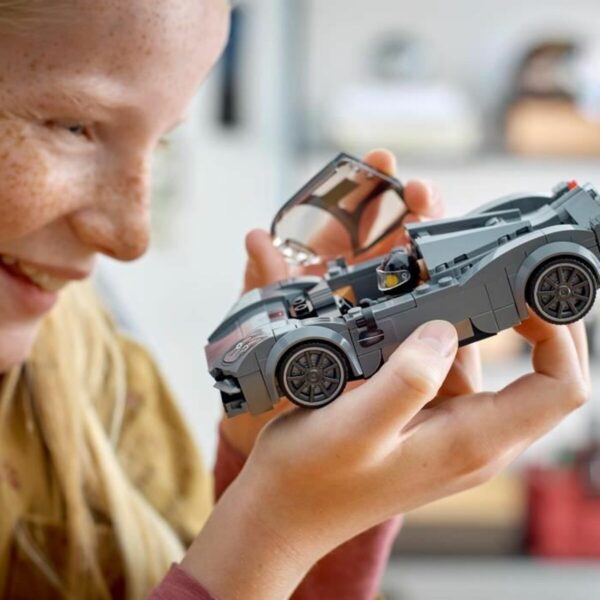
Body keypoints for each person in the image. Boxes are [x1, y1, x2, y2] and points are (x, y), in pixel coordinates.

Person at [0, 1, 590, 599]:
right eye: (73, 127)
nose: (132, 238)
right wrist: (272, 532)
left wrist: (287, 490)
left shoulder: (104, 379)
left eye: (163, 144)